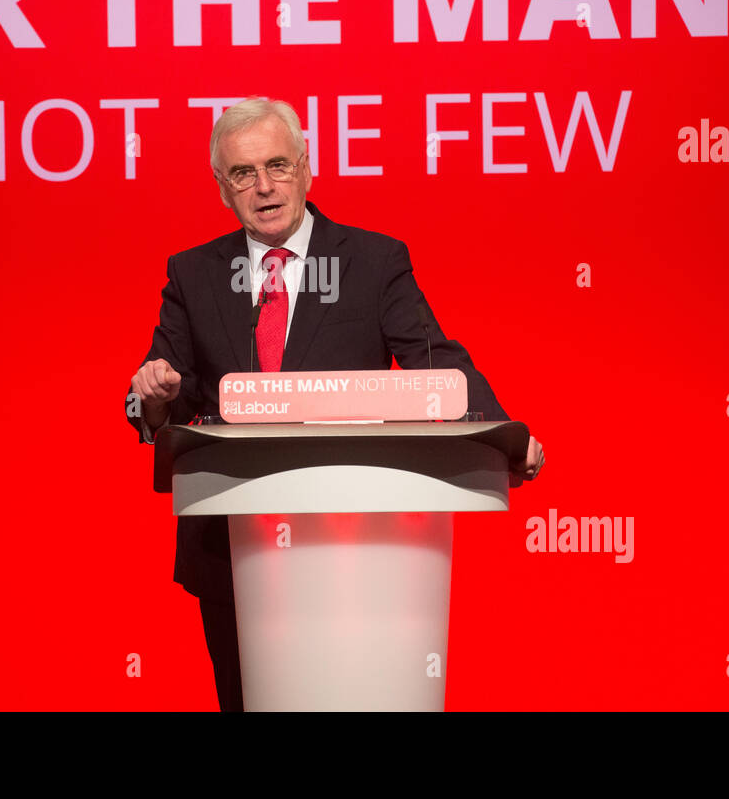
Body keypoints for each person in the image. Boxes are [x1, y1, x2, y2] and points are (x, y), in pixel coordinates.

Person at [127, 97, 544, 711]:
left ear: (306, 168)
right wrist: (153, 397)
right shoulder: (193, 275)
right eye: (243, 173)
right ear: (221, 187)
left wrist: (504, 437)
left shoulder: (373, 262)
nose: (264, 186)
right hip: (235, 548)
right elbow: (163, 391)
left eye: (278, 165)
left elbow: (437, 362)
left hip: (357, 545)